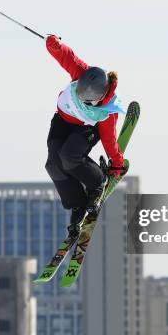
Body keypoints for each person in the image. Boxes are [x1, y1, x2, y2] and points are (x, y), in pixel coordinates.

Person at [44, 35, 127, 238]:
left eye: (90, 102)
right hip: (63, 121)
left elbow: (109, 139)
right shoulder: (81, 73)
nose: (87, 104)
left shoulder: (108, 110)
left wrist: (116, 163)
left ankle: (97, 181)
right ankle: (77, 204)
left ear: (100, 96)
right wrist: (54, 46)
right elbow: (67, 57)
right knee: (53, 164)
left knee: (69, 156)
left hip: (86, 129)